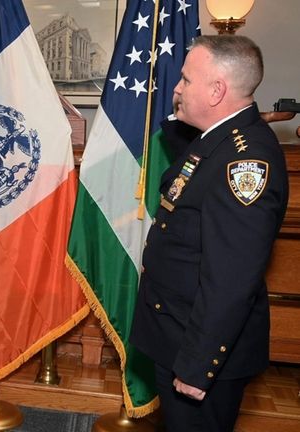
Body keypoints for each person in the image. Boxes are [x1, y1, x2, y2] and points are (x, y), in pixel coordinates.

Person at [130, 35, 289, 432]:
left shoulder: (245, 162)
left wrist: (200, 365)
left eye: (185, 80)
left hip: (198, 347)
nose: (177, 88)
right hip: (176, 333)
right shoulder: (216, 140)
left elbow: (230, 280)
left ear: (217, 90)